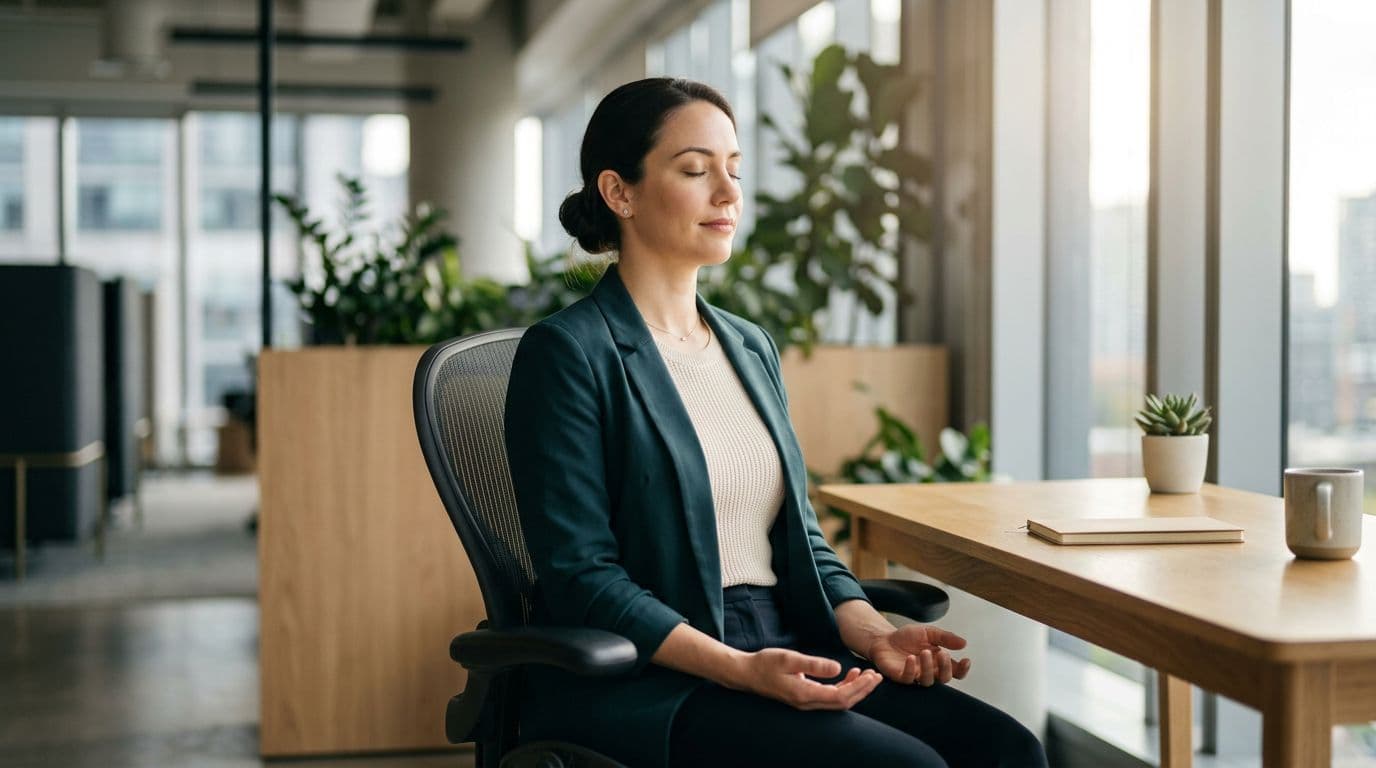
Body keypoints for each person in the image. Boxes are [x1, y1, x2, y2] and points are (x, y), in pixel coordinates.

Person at [504, 77, 1048, 768]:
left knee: (1007, 749)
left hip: (787, 641)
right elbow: (583, 576)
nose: (728, 194)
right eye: (696, 170)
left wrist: (872, 632)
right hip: (659, 674)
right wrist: (737, 667)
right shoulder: (568, 353)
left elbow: (800, 538)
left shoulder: (748, 345)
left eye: (734, 170)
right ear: (620, 193)